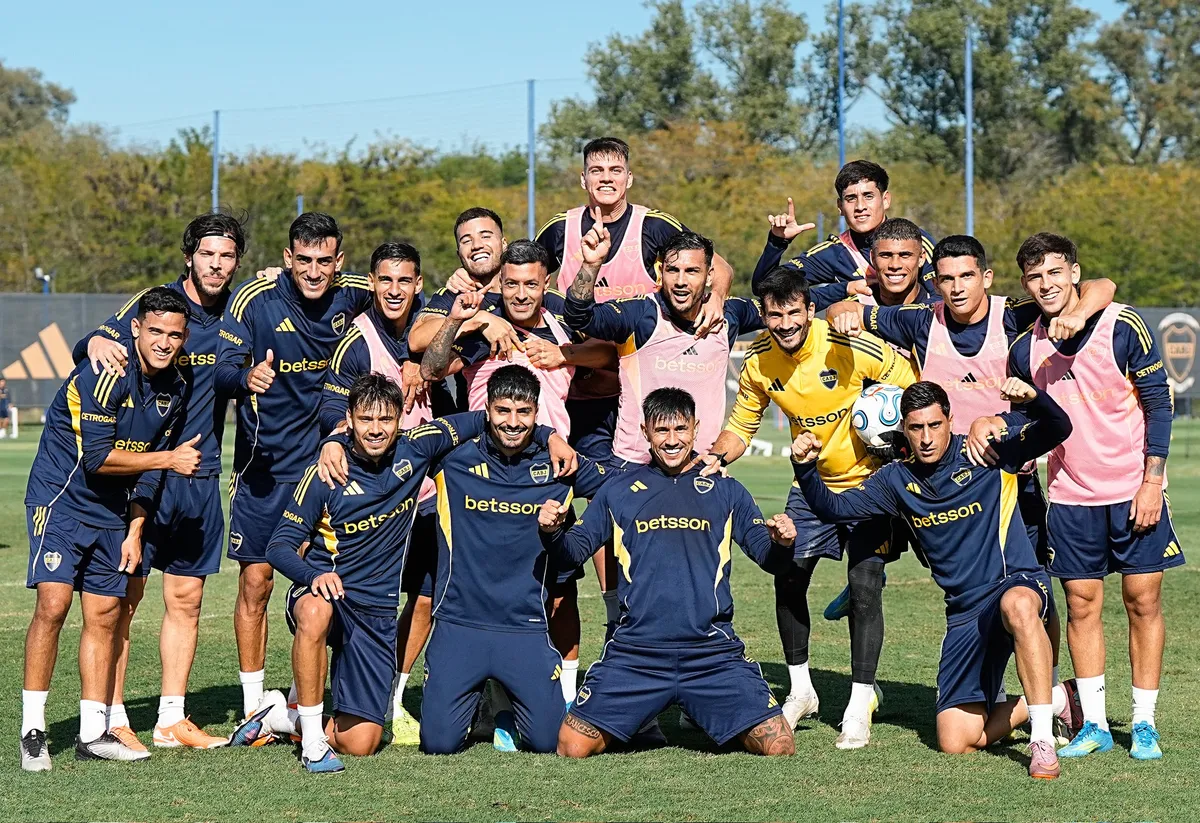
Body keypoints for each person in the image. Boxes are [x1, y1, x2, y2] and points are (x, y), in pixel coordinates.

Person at [824, 234, 1116, 722]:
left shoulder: (1013, 315)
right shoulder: (921, 320)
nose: (956, 288)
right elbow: (839, 310)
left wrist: (1080, 311)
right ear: (934, 284)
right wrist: (841, 311)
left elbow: (1101, 285)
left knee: (1038, 592)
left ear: (986, 277)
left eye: (965, 276)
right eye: (946, 279)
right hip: (943, 486)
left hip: (1009, 481)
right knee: (961, 587)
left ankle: (1054, 701)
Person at [229, 374, 574, 772]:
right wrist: (312, 576)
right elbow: (278, 546)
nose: (376, 430)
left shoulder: (417, 448)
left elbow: (488, 418)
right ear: (350, 420)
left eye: (386, 420)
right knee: (315, 610)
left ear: (399, 422)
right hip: (328, 595)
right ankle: (311, 742)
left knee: (362, 742)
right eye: (366, 420)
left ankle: (274, 717)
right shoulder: (326, 471)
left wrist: (551, 436)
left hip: (376, 614)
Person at [791, 379, 1079, 779]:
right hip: (964, 612)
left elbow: (1059, 427)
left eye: (934, 425)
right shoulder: (895, 480)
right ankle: (1057, 697)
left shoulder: (985, 450)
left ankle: (1043, 743)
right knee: (955, 740)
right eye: (916, 428)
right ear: (904, 430)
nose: (926, 438)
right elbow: (835, 507)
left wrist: (1033, 399)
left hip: (1016, 583)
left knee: (1018, 604)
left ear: (949, 420)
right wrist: (805, 469)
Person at [701, 267, 915, 746]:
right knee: (789, 572)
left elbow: (912, 389)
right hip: (811, 487)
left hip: (871, 487)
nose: (784, 324)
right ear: (765, 316)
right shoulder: (758, 360)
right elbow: (741, 426)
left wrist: (896, 439)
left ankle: (860, 700)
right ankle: (801, 691)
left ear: (809, 310)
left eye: (793, 313)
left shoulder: (848, 345)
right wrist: (715, 457)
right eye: (774, 315)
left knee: (865, 582)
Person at [538, 387, 796, 757]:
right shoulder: (618, 490)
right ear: (645, 432)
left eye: (680, 429)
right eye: (661, 431)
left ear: (696, 429)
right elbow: (571, 554)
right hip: (637, 652)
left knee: (779, 745)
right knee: (571, 745)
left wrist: (783, 542)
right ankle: (642, 714)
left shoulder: (727, 490)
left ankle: (702, 707)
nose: (672, 440)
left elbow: (770, 559)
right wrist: (552, 532)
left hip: (710, 654)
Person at [71, 212, 246, 751]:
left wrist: (249, 378)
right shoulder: (155, 304)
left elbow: (234, 374)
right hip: (143, 472)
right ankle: (114, 714)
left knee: (187, 598)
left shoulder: (238, 319)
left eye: (227, 255)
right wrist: (90, 343)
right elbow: (97, 342)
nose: (217, 264)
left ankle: (171, 717)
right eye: (208, 254)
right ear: (189, 256)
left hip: (198, 471)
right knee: (123, 597)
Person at [420, 241, 619, 706]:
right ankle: (491, 699)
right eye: (512, 284)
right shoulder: (482, 328)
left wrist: (564, 355)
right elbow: (431, 366)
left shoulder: (560, 326)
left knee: (559, 588)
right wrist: (469, 320)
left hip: (549, 473)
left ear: (545, 283)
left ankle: (565, 692)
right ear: (499, 284)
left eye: (531, 283)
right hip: (483, 475)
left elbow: (610, 359)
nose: (522, 293)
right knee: (484, 588)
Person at [1008, 233, 1180, 761]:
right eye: (1035, 277)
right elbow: (1029, 424)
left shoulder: (1121, 324)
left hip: (1134, 491)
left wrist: (1152, 482)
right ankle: (1097, 724)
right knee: (1081, 606)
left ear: (1075, 273)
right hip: (1070, 498)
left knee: (1142, 602)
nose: (1046, 284)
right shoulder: (1024, 349)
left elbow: (1159, 405)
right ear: (1025, 285)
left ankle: (1145, 723)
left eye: (1055, 273)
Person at [21, 287, 197, 770]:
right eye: (156, 331)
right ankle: (32, 730)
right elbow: (98, 459)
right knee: (53, 605)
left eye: (175, 335)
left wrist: (136, 528)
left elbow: (151, 472)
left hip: (114, 516)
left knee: (104, 615)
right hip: (60, 501)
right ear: (136, 329)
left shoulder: (176, 388)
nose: (165, 342)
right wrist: (171, 457)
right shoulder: (105, 370)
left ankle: (92, 733)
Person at [214, 212, 372, 724]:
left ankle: (331, 700)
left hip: (331, 467)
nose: (313, 271)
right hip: (267, 469)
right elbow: (221, 369)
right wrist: (245, 378)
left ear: (338, 262)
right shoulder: (253, 300)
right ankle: (253, 704)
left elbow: (404, 301)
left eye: (324, 261)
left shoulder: (355, 293)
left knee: (333, 584)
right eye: (302, 260)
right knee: (256, 582)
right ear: (287, 259)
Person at [419, 365, 609, 755]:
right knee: (439, 744)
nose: (513, 422)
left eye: (524, 413)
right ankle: (478, 699)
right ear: (487, 410)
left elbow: (621, 488)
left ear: (536, 412)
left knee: (544, 743)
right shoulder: (453, 459)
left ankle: (505, 707)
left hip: (525, 628)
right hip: (459, 624)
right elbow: (405, 441)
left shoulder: (560, 465)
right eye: (502, 410)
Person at [317, 241, 444, 745]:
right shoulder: (357, 340)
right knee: (362, 599)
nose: (395, 290)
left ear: (418, 284)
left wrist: (427, 360)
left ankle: (393, 690)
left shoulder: (431, 323)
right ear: (372, 282)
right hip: (373, 494)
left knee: (428, 593)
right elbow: (332, 408)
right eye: (385, 280)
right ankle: (322, 701)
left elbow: (454, 362)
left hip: (428, 490)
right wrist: (332, 439)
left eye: (405, 281)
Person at [563, 227, 763, 469]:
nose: (680, 281)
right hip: (634, 466)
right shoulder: (640, 314)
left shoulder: (728, 315)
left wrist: (776, 244)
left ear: (709, 276)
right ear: (661, 273)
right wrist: (591, 265)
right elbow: (579, 317)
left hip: (700, 468)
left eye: (692, 271)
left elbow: (783, 310)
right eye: (673, 270)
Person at [750, 161, 938, 296]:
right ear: (840, 206)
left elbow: (940, 298)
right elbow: (764, 287)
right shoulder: (834, 253)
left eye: (868, 196)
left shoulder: (916, 241)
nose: (860, 206)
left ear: (886, 199)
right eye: (851, 199)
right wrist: (777, 242)